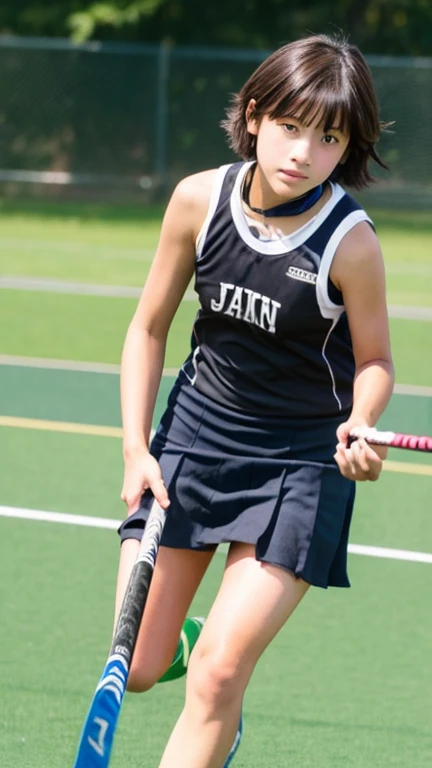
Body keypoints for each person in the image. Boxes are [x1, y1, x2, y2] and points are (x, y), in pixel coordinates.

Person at [116, 32, 394, 767]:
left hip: (300, 465)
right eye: (290, 125)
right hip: (193, 442)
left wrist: (362, 422)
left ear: (348, 149)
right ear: (255, 114)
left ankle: (220, 703)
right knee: (138, 667)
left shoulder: (350, 242)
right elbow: (147, 329)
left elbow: (376, 362)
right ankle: (204, 651)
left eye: (329, 137)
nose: (304, 151)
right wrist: (137, 448)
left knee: (216, 677)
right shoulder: (199, 201)